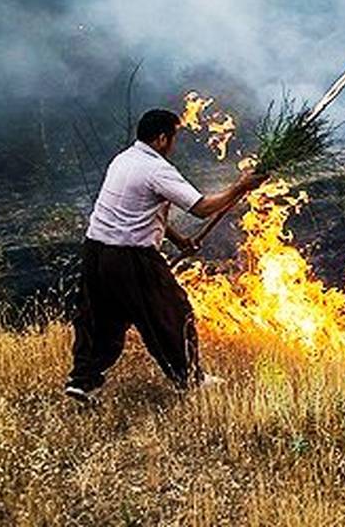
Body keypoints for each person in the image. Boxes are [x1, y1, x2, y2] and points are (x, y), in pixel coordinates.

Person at [64, 108, 265, 403]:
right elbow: (201, 208)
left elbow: (141, 211)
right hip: (130, 256)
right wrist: (240, 187)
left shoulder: (123, 159)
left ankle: (83, 381)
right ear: (161, 138)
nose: (174, 144)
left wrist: (180, 240)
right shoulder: (157, 169)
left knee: (101, 318)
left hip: (95, 251)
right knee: (173, 314)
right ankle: (190, 379)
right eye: (173, 137)